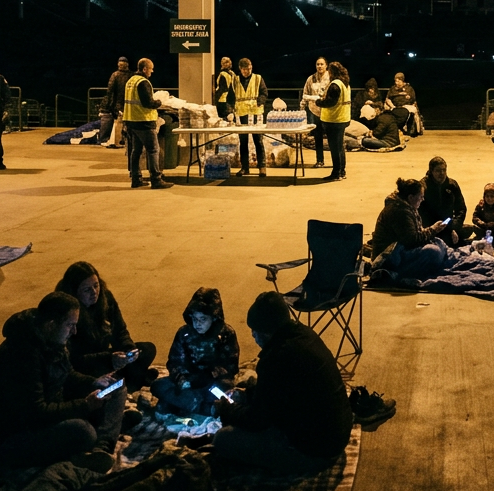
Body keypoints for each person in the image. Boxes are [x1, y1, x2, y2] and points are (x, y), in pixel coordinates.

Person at [0, 292, 126, 471]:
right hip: (8, 439)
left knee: (116, 389)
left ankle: (101, 448)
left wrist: (94, 383)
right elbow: (36, 413)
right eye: (70, 325)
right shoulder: (22, 355)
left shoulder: (52, 338)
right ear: (51, 324)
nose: (74, 331)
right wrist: (84, 405)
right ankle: (94, 440)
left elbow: (67, 374)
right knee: (83, 431)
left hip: (46, 411)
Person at [213, 292, 354, 473]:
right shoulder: (304, 334)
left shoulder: (277, 359)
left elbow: (258, 420)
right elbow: (279, 393)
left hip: (314, 451)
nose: (253, 336)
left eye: (255, 331)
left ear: (266, 332)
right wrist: (248, 394)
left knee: (223, 440)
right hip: (335, 435)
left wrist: (226, 409)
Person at [55, 261, 156, 391]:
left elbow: (120, 331)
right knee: (90, 379)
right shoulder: (68, 311)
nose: (94, 292)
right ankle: (133, 380)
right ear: (74, 292)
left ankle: (129, 379)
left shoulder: (105, 298)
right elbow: (72, 359)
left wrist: (128, 349)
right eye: (87, 290)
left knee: (146, 349)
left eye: (96, 285)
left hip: (107, 357)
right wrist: (108, 359)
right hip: (87, 363)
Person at [151, 287, 239, 417]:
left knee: (224, 392)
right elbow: (174, 361)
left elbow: (230, 366)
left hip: (213, 382)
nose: (198, 324)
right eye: (194, 318)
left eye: (203, 319)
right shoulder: (184, 333)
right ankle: (202, 408)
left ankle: (185, 404)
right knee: (158, 386)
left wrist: (207, 376)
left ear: (214, 318)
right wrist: (181, 378)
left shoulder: (225, 334)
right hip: (188, 381)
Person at [123, 57, 172, 189]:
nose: (152, 71)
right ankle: (156, 179)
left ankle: (136, 179)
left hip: (131, 121)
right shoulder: (143, 82)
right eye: (151, 69)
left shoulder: (130, 81)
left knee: (136, 151)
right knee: (153, 150)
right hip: (143, 122)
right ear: (144, 69)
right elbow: (148, 103)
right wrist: (160, 102)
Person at [370, 177, 446, 257]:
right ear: (410, 197)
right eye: (420, 197)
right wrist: (433, 230)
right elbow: (412, 241)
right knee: (433, 252)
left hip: (400, 249)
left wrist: (431, 230)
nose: (422, 199)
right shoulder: (400, 212)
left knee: (438, 242)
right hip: (390, 256)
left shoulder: (408, 207)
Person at [419, 156, 471, 245]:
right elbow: (419, 213)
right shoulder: (423, 187)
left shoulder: (452, 185)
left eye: (444, 170)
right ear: (431, 171)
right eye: (438, 170)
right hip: (431, 227)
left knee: (471, 230)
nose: (442, 173)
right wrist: (433, 229)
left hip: (448, 224)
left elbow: (461, 209)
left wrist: (453, 227)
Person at [233, 57, 269, 177]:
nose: (246, 72)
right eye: (244, 70)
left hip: (255, 114)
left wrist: (260, 101)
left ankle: (262, 167)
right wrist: (229, 111)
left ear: (251, 67)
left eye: (248, 69)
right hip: (241, 115)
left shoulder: (258, 78)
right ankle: (244, 168)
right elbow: (230, 97)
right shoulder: (235, 80)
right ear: (240, 69)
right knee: (243, 142)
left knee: (258, 141)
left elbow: (264, 92)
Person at [317, 61, 351, 181]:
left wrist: (319, 102)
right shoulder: (345, 84)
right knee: (340, 147)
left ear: (332, 72)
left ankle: (336, 173)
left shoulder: (335, 85)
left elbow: (330, 102)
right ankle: (342, 171)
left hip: (334, 120)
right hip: (343, 118)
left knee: (335, 148)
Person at [300, 56, 330, 168]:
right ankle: (320, 160)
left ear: (326, 65)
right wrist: (302, 108)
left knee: (331, 137)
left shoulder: (331, 78)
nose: (319, 66)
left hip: (328, 112)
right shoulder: (311, 79)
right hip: (315, 112)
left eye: (322, 64)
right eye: (318, 64)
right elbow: (305, 93)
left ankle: (337, 162)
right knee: (318, 137)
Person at [97, 56, 130, 146]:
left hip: (118, 104)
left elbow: (110, 91)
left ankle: (116, 140)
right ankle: (125, 140)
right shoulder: (131, 75)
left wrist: (107, 105)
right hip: (128, 103)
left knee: (118, 123)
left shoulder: (115, 75)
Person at [215, 56, 237, 122]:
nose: (225, 64)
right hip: (230, 98)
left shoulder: (224, 74)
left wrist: (216, 98)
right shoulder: (232, 74)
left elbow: (222, 88)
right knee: (230, 118)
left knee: (225, 119)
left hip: (224, 99)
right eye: (224, 63)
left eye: (227, 62)